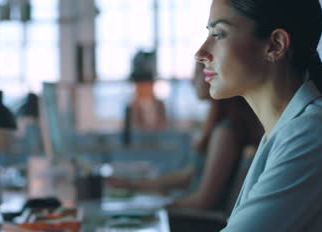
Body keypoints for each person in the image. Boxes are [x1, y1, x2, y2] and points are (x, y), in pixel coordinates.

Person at [195, 0, 322, 231]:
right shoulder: (285, 129)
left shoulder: (309, 132)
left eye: (219, 34)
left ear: (275, 45)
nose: (201, 53)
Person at [109, 63, 263, 211]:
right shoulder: (218, 127)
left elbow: (203, 201)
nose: (191, 81)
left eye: (197, 74)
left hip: (196, 222)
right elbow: (188, 175)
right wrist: (134, 185)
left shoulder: (225, 133)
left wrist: (154, 208)